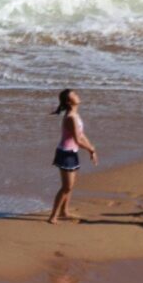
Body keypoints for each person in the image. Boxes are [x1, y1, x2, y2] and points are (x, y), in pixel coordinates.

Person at [46, 88, 99, 225]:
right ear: (69, 102)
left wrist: (91, 149)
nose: (77, 95)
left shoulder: (75, 115)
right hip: (65, 153)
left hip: (72, 153)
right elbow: (77, 140)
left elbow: (81, 134)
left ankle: (64, 211)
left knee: (70, 186)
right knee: (66, 187)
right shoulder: (70, 117)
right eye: (74, 95)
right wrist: (90, 149)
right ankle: (53, 216)